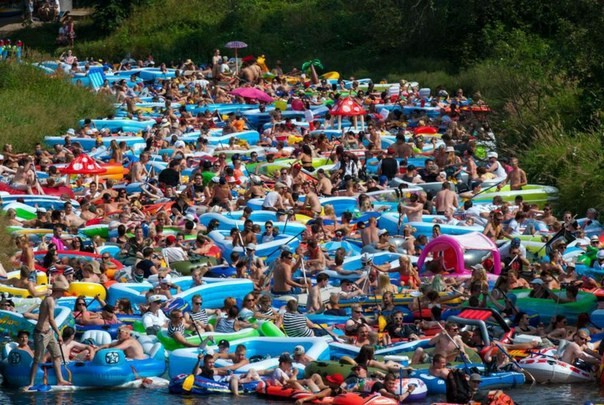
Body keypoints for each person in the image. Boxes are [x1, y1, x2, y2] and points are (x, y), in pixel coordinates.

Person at [23, 275, 71, 391]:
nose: (63, 294)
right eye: (63, 292)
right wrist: (59, 334)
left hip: (48, 332)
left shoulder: (50, 299)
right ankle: (31, 383)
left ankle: (60, 380)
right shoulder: (50, 301)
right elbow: (51, 319)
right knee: (37, 360)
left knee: (56, 355)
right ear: (58, 291)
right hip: (41, 333)